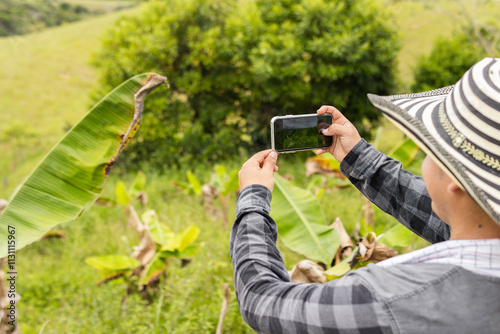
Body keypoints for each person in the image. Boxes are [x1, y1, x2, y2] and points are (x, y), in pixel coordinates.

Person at [230, 57, 500, 334]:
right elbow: (444, 214)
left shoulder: (391, 296)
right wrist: (356, 156)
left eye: (431, 150)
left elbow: (263, 301)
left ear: (455, 178)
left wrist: (252, 200)